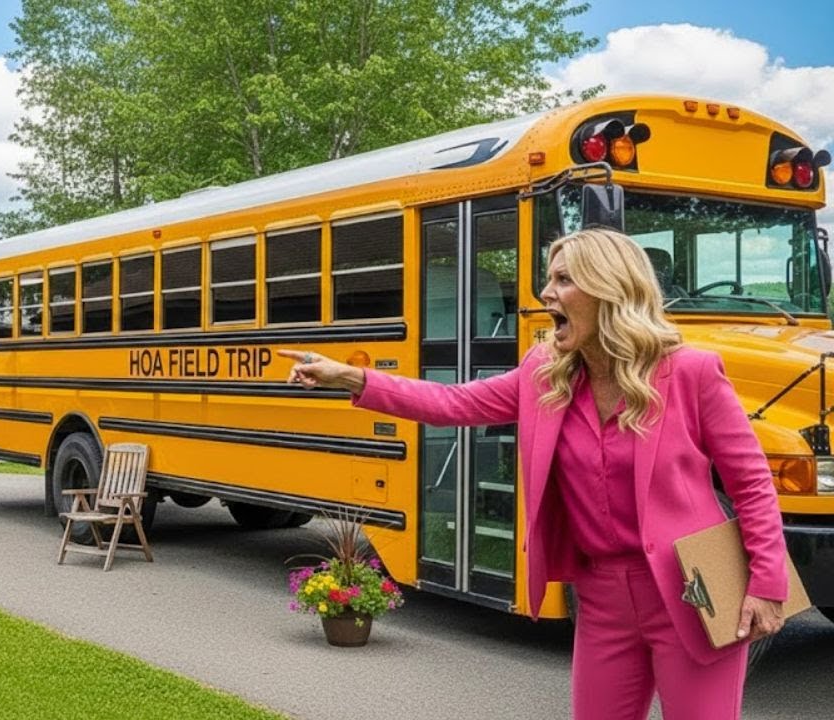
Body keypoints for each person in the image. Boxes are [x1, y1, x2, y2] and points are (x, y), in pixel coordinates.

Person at [279, 227, 788, 720]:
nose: (546, 293)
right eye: (549, 279)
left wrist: (767, 582)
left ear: (609, 289)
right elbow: (452, 403)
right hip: (601, 597)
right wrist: (351, 377)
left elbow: (751, 482)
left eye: (563, 279)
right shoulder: (545, 374)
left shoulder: (692, 372)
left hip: (692, 588)